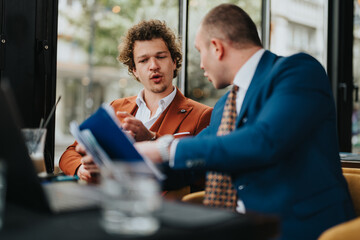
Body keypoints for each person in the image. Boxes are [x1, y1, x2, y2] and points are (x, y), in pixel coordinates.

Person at [135, 4, 356, 240]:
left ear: (217, 48)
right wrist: (122, 166)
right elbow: (191, 165)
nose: (200, 65)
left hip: (298, 229)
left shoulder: (297, 72)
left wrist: (162, 147)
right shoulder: (223, 107)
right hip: (235, 226)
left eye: (200, 51)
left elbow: (264, 141)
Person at [59, 19, 212, 198]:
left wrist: (153, 139)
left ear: (174, 61)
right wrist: (81, 169)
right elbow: (70, 153)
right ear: (134, 70)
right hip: (110, 201)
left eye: (161, 57)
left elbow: (206, 173)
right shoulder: (115, 108)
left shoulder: (202, 115)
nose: (153, 66)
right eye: (143, 60)